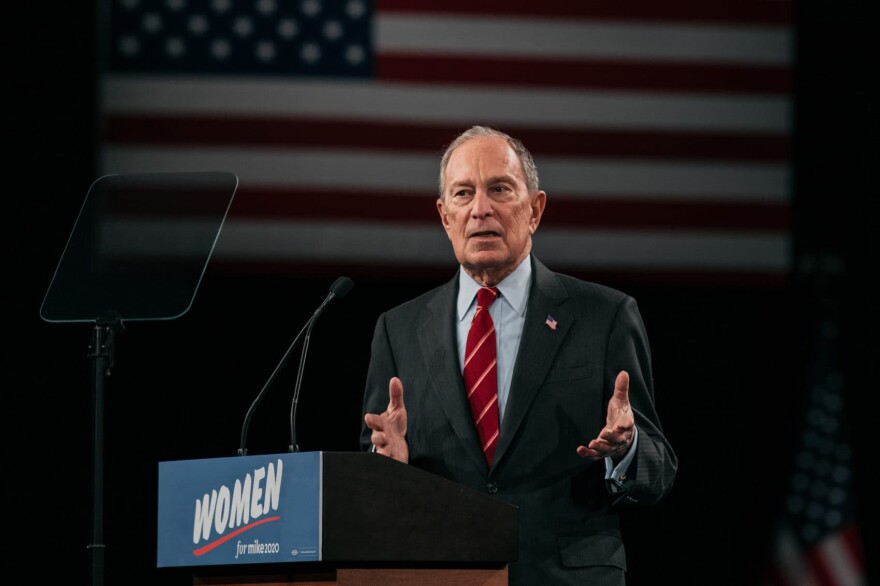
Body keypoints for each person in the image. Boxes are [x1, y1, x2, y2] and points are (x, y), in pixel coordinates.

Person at [361, 125, 677, 585]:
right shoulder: (399, 329)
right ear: (445, 216)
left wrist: (627, 449)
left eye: (500, 189)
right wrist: (387, 468)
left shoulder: (603, 316)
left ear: (534, 210)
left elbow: (659, 469)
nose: (480, 209)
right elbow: (368, 477)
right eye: (463, 194)